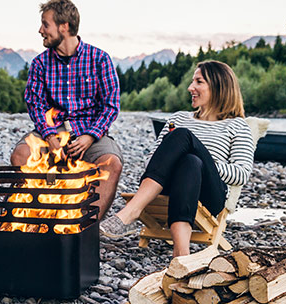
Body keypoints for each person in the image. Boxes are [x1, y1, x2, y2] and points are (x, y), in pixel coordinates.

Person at [98, 60, 255, 257]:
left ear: (218, 86)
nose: (191, 88)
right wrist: (179, 154)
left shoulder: (238, 126)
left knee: (186, 141)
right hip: (169, 184)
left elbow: (241, 174)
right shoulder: (179, 117)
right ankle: (181, 255)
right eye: (192, 82)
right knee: (190, 161)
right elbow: (151, 161)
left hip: (209, 194)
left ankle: (132, 211)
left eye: (199, 82)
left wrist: (207, 160)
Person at [10, 0, 123, 219]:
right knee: (21, 154)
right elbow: (35, 105)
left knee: (112, 163)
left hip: (91, 134)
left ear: (64, 26)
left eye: (45, 24)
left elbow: (111, 106)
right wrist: (50, 135)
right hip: (51, 133)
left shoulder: (100, 59)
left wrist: (91, 136)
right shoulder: (39, 64)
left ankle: (87, 227)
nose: (40, 30)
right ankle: (43, 216)